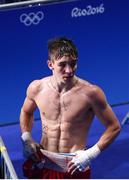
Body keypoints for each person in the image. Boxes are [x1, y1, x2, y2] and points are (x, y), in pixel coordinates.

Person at [20, 37, 121, 179]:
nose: (69, 70)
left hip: (74, 165)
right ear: (50, 64)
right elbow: (26, 112)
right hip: (43, 160)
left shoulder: (91, 93)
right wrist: (27, 138)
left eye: (73, 64)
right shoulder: (37, 88)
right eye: (62, 65)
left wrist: (90, 154)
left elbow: (114, 127)